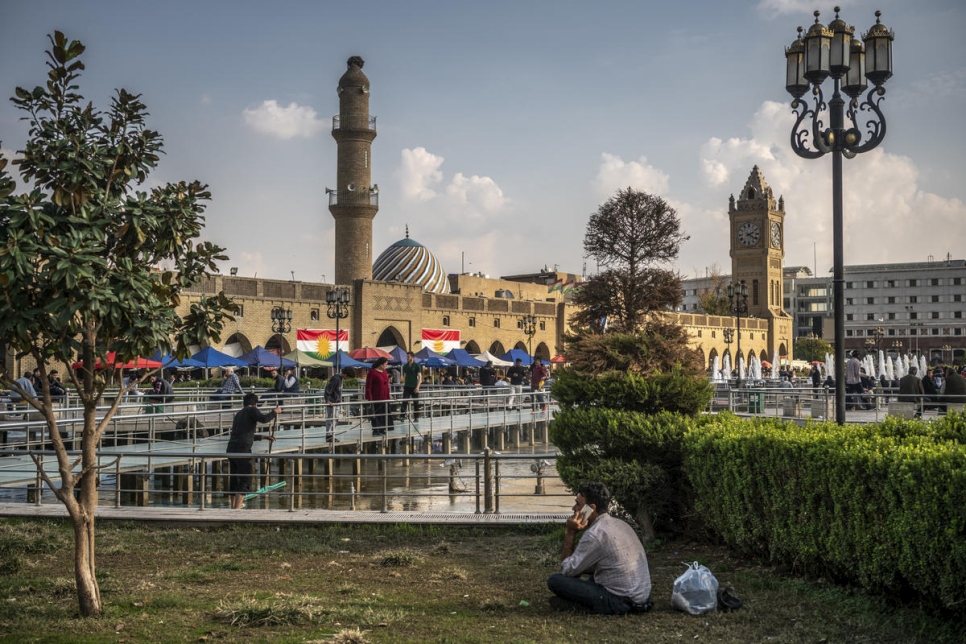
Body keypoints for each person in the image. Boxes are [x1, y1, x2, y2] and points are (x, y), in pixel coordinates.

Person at [547, 481, 652, 615]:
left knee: (555, 580)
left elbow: (567, 570)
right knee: (591, 575)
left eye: (578, 504)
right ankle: (576, 602)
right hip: (641, 598)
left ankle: (579, 605)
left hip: (621, 602)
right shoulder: (621, 524)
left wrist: (570, 532)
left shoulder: (595, 534)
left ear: (591, 508)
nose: (574, 508)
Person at [226, 393, 280, 510]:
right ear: (255, 404)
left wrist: (264, 437)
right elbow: (264, 419)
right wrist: (275, 412)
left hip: (231, 448)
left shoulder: (239, 414)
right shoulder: (252, 410)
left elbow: (246, 434)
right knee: (246, 478)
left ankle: (232, 507)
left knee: (234, 478)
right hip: (242, 449)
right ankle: (237, 508)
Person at [365, 357, 391, 436]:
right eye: (385, 364)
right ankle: (376, 429)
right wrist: (370, 398)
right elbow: (368, 386)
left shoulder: (384, 372)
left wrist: (388, 396)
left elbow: (387, 385)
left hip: (384, 397)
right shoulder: (372, 373)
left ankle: (383, 428)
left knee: (384, 413)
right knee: (376, 413)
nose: (386, 366)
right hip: (376, 397)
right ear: (381, 364)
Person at [324, 367, 351, 442]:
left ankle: (331, 434)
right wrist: (328, 400)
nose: (348, 379)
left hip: (337, 402)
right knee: (331, 418)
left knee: (335, 418)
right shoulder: (336, 379)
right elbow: (328, 389)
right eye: (348, 377)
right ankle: (329, 435)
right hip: (332, 402)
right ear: (345, 374)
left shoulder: (340, 379)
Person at [401, 351, 421, 422]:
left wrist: (418, 387)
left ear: (412, 357)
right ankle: (402, 416)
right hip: (407, 386)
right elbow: (405, 375)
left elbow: (419, 377)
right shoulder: (405, 366)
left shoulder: (416, 366)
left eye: (408, 356)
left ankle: (416, 417)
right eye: (407, 356)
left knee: (416, 402)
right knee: (404, 401)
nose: (407, 358)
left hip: (414, 386)